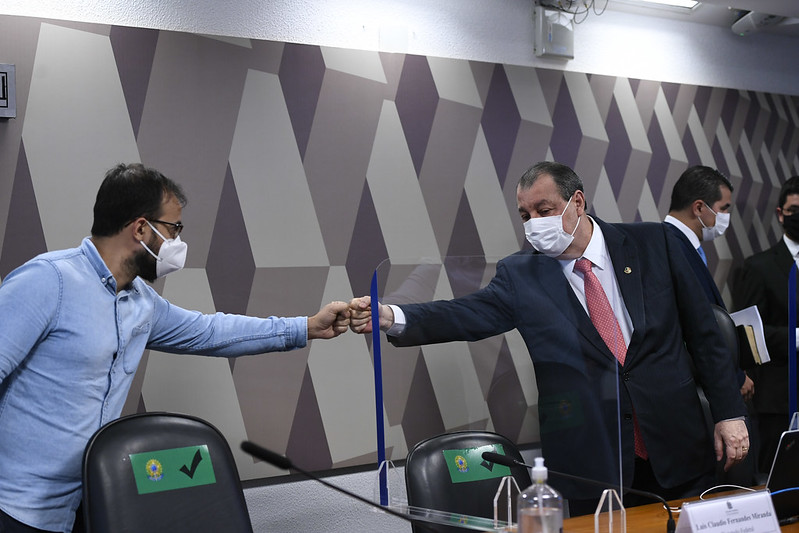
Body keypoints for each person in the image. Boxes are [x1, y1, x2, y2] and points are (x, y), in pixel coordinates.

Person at [350, 161, 749, 514]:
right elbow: (465, 314)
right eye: (525, 215)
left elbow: (705, 335)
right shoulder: (521, 275)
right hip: (592, 463)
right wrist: (390, 315)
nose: (534, 224)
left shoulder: (653, 243)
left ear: (578, 202)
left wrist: (729, 413)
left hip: (676, 443)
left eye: (544, 210)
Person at [0, 163, 351, 533]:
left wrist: (307, 327)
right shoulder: (49, 280)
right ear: (140, 228)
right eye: (173, 229)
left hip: (83, 508)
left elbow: (210, 331)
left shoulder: (141, 302)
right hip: (15, 508)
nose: (177, 242)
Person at [663, 165, 754, 401]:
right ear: (699, 207)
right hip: (690, 388)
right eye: (723, 209)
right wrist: (733, 376)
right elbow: (695, 323)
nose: (726, 217)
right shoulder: (671, 247)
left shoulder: (681, 245)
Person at [734, 175, 799, 474]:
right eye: (795, 209)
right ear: (780, 213)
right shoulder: (759, 267)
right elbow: (747, 333)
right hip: (778, 397)